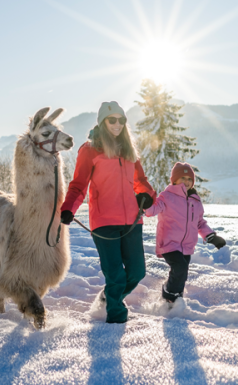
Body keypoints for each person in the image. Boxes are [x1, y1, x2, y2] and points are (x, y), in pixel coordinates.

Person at [60, 101, 156, 323]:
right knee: (115, 275)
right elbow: (78, 185)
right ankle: (116, 321)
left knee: (137, 272)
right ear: (103, 121)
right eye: (112, 120)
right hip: (104, 222)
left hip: (132, 220)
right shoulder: (90, 150)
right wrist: (68, 208)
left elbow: (141, 182)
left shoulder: (129, 150)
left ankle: (109, 297)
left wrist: (146, 196)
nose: (117, 124)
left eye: (121, 120)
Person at [144, 162, 226, 305]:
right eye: (183, 178)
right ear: (174, 180)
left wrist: (211, 236)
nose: (187, 182)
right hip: (169, 244)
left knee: (182, 272)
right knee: (180, 267)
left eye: (189, 179)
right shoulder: (166, 196)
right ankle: (169, 296)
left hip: (187, 246)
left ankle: (177, 299)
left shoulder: (195, 200)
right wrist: (145, 204)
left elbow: (199, 222)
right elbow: (153, 210)